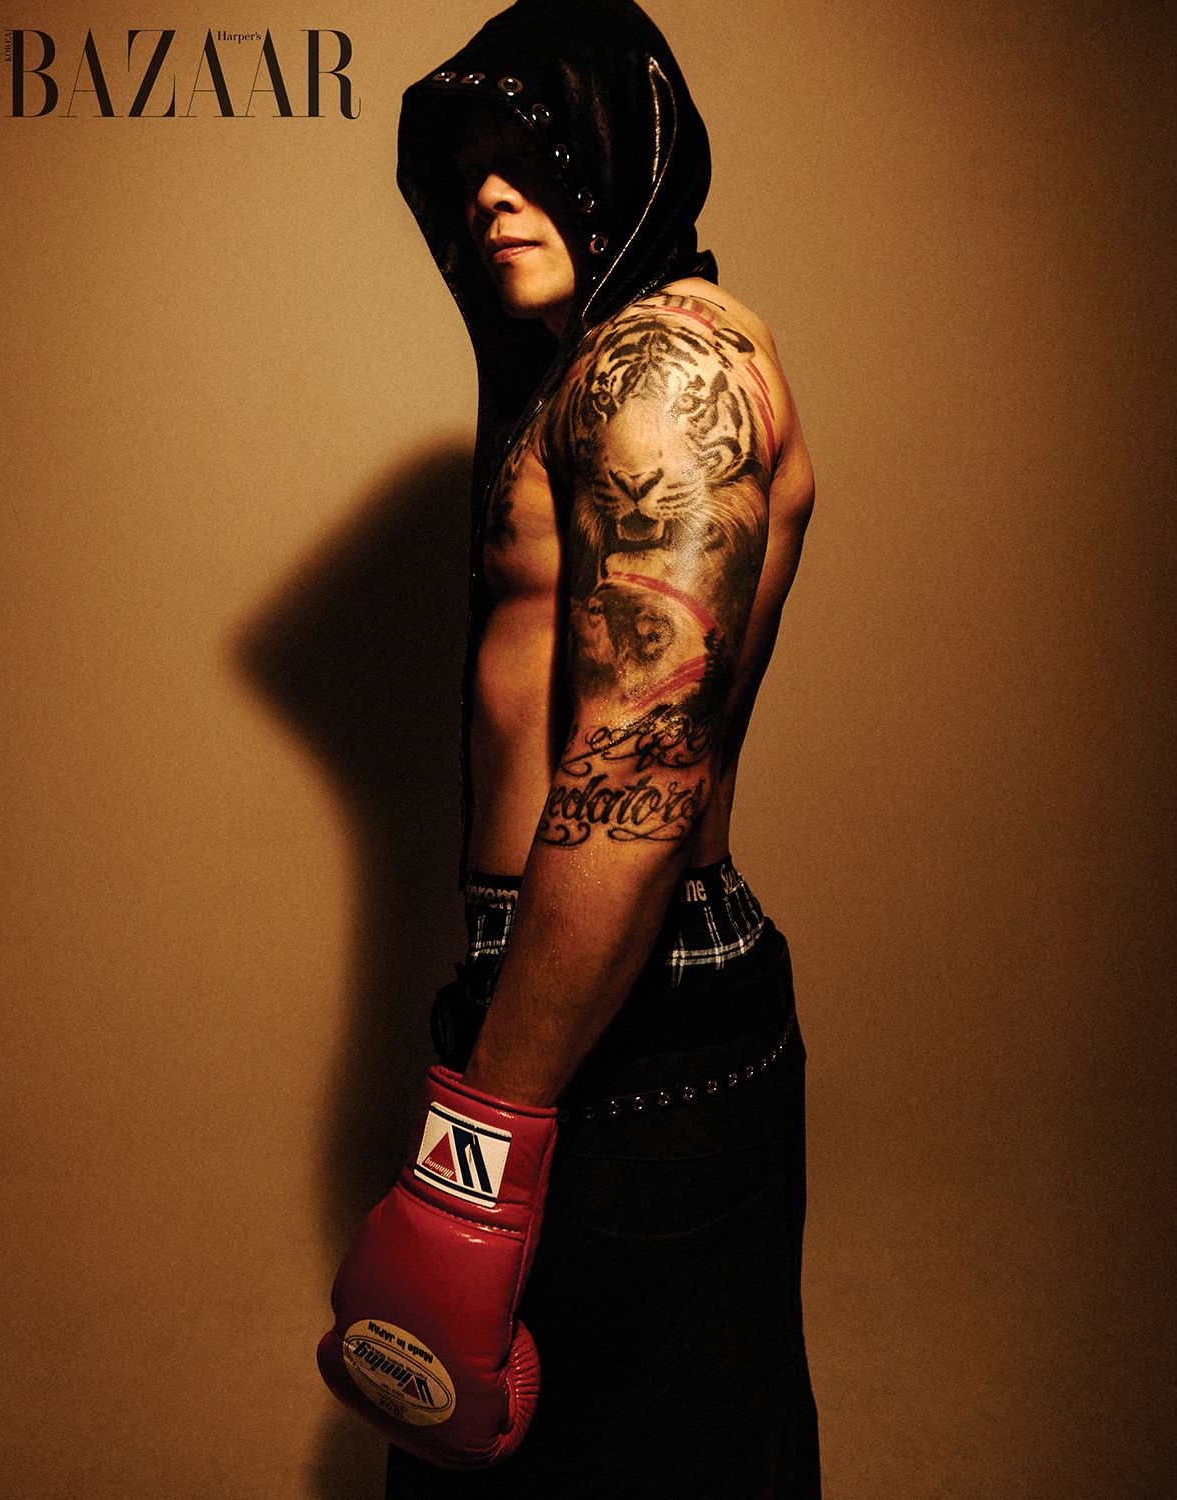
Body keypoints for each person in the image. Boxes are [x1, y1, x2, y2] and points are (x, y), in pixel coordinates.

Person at [317, 2, 819, 1494]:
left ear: (626, 155)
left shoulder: (662, 366)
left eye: (529, 151)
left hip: (624, 1014)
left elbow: (643, 772)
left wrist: (480, 1140)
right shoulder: (581, 373)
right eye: (465, 167)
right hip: (560, 998)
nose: (487, 195)